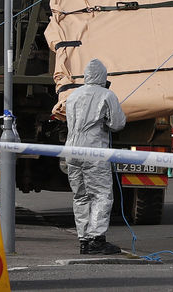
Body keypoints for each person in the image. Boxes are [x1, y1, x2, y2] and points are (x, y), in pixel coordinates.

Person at [65, 58, 126, 255]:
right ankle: (97, 239)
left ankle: (83, 239)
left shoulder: (72, 96)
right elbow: (117, 124)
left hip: (71, 151)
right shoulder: (107, 95)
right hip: (94, 152)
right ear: (103, 76)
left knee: (80, 196)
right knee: (101, 195)